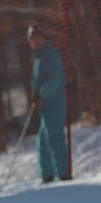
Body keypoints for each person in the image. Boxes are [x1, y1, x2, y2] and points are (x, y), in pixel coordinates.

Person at [27, 23, 71, 183]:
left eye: (38, 37)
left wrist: (41, 94)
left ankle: (63, 172)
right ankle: (48, 173)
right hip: (46, 103)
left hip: (54, 101)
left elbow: (55, 78)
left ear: (44, 38)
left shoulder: (50, 55)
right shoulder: (39, 57)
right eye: (32, 38)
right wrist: (36, 95)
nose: (36, 41)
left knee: (53, 136)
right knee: (43, 140)